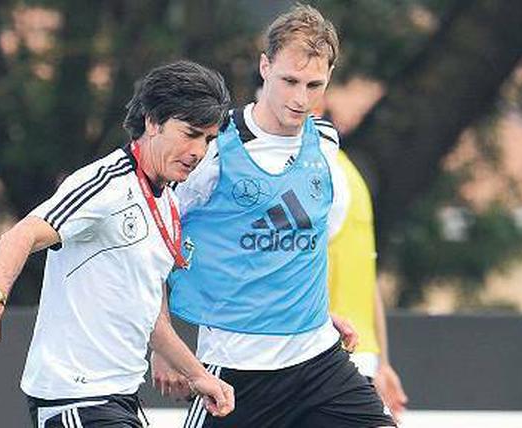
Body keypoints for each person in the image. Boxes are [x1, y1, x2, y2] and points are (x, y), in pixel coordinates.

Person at [0, 61, 235, 428]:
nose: (198, 151)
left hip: (117, 400)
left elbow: (148, 315)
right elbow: (19, 235)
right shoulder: (107, 183)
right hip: (74, 399)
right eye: (191, 133)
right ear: (152, 122)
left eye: (209, 140)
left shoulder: (167, 202)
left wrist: (198, 376)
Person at [151, 5, 396, 427]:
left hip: (318, 362)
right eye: (289, 81)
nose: (300, 98)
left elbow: (306, 244)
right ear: (264, 67)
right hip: (237, 369)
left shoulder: (325, 145)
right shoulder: (214, 148)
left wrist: (316, 313)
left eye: (314, 84)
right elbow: (154, 241)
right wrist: (163, 343)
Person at [328, 149, 410, 420]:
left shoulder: (316, 168)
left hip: (333, 358)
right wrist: (382, 362)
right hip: (353, 357)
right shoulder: (348, 171)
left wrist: (382, 363)